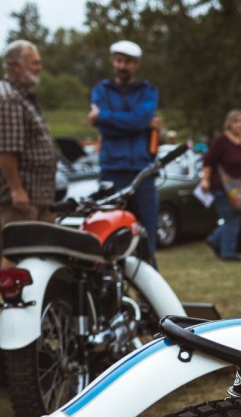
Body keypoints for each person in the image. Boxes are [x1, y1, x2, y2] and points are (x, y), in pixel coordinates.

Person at [90, 40, 163, 262]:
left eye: (128, 62)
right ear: (113, 61)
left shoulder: (148, 91)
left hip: (142, 171)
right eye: (119, 60)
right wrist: (136, 123)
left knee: (147, 232)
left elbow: (138, 119)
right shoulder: (101, 91)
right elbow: (133, 122)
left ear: (136, 64)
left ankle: (149, 290)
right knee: (110, 230)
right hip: (112, 169)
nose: (122, 66)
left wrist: (104, 116)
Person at [0, 40, 57, 230]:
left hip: (39, 192)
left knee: (41, 252)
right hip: (23, 195)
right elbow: (5, 150)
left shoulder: (21, 95)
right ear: (16, 67)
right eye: (34, 63)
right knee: (19, 253)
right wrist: (17, 190)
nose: (39, 68)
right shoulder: (8, 98)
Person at [200, 110, 241, 262]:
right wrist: (205, 180)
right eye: (236, 122)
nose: (239, 125)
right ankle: (228, 253)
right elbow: (208, 162)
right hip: (221, 187)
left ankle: (215, 239)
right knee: (231, 218)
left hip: (240, 187)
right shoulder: (221, 141)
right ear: (229, 124)